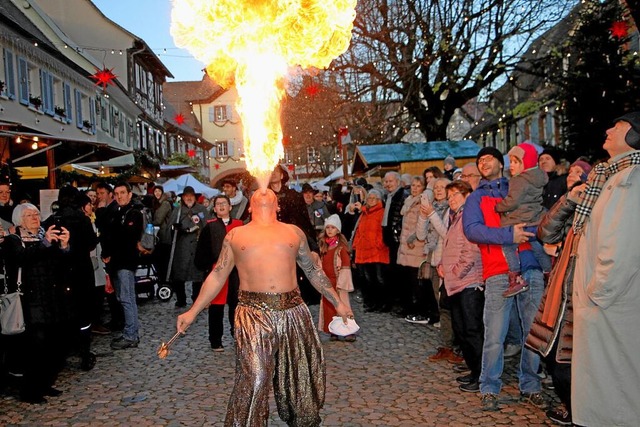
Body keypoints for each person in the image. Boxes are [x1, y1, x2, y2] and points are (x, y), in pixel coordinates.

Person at [176, 188, 350, 426]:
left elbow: (312, 271)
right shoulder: (236, 235)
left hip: (293, 310)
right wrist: (192, 312)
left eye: (269, 192)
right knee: (255, 377)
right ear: (250, 206)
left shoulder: (293, 232)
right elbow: (217, 275)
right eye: (257, 191)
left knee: (300, 377)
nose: (264, 190)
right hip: (252, 313)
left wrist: (338, 302)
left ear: (278, 205)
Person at [569, 113, 640, 426]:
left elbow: (620, 244)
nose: (609, 129)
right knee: (606, 386)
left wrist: (598, 293)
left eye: (618, 126)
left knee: (616, 391)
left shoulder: (630, 179)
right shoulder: (615, 176)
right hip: (605, 304)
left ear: (634, 135)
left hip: (611, 305)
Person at [462, 146, 545, 412]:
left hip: (530, 265)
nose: (483, 162)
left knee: (532, 332)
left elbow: (535, 215)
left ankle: (531, 384)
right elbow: (473, 231)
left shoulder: (518, 186)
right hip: (498, 271)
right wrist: (509, 236)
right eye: (479, 160)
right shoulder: (476, 197)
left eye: (488, 158)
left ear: (502, 162)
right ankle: (489, 387)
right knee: (495, 335)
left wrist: (531, 233)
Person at [1, 203, 70, 403]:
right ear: (19, 219)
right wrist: (45, 243)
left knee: (54, 345)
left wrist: (64, 247)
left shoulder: (44, 236)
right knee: (35, 348)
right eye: (30, 215)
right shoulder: (13, 240)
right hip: (29, 300)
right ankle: (30, 391)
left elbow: (61, 265)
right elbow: (23, 259)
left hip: (52, 298)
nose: (35, 218)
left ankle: (45, 383)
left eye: (37, 214)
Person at [438, 180, 484, 393]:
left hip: (468, 283)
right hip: (454, 284)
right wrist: (442, 264)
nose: (451, 199)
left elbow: (471, 251)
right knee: (461, 329)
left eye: (456, 194)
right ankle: (474, 371)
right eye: (449, 196)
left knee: (472, 330)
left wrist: (455, 272)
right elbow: (451, 247)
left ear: (466, 195)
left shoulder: (468, 216)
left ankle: (481, 375)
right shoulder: (454, 217)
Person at [495, 143, 551, 298]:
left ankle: (516, 278)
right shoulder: (537, 177)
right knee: (537, 248)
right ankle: (549, 272)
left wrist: (499, 206)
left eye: (515, 162)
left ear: (525, 163)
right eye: (511, 161)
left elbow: (513, 201)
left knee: (508, 245)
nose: (511, 165)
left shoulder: (519, 180)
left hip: (519, 220)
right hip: (534, 220)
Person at [101, 182, 149, 350]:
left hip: (126, 262)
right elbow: (109, 234)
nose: (119, 196)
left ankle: (131, 334)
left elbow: (126, 237)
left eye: (122, 193)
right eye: (116, 193)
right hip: (116, 262)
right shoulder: (116, 212)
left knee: (127, 299)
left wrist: (112, 239)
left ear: (129, 194)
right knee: (123, 298)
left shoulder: (134, 213)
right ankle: (130, 331)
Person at [194, 195, 243, 352]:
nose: (221, 206)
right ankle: (216, 340)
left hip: (236, 271)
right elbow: (202, 252)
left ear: (230, 206)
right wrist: (207, 271)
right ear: (214, 209)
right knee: (216, 306)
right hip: (217, 269)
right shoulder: (209, 227)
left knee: (237, 305)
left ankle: (238, 335)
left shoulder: (239, 225)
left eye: (224, 203)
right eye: (218, 204)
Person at [168, 186, 209, 307]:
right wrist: (176, 229)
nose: (189, 198)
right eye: (186, 196)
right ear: (183, 198)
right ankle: (181, 299)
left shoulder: (201, 210)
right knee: (179, 274)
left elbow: (207, 225)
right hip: (181, 248)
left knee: (198, 274)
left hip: (197, 246)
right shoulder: (177, 210)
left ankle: (196, 298)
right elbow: (170, 227)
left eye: (191, 196)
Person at [397, 176, 430, 323]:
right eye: (413, 186)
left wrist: (413, 238)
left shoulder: (421, 203)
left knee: (417, 283)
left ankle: (420, 310)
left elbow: (421, 226)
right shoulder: (408, 202)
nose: (415, 188)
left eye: (418, 186)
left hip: (416, 247)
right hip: (405, 248)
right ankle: (410, 308)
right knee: (407, 282)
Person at [317, 214, 355, 342]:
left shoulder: (341, 248)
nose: (329, 230)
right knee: (329, 307)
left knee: (343, 305)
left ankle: (348, 330)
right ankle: (333, 330)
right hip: (327, 282)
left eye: (333, 228)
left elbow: (345, 265)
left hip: (338, 281)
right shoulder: (324, 247)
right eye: (328, 227)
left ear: (338, 230)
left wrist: (343, 282)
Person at [351, 189, 390, 312]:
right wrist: (355, 245)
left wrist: (378, 243)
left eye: (373, 198)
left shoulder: (382, 212)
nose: (371, 201)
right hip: (363, 250)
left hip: (377, 250)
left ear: (379, 200)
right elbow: (358, 231)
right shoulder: (364, 213)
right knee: (367, 279)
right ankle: (371, 302)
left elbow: (382, 231)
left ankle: (383, 303)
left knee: (379, 279)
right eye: (369, 198)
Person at [381, 172, 408, 315]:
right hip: (391, 241)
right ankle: (396, 303)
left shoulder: (402, 196)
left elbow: (401, 220)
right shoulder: (389, 197)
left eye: (391, 181)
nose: (388, 184)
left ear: (398, 181)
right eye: (386, 181)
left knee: (400, 275)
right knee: (392, 274)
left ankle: (403, 305)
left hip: (398, 241)